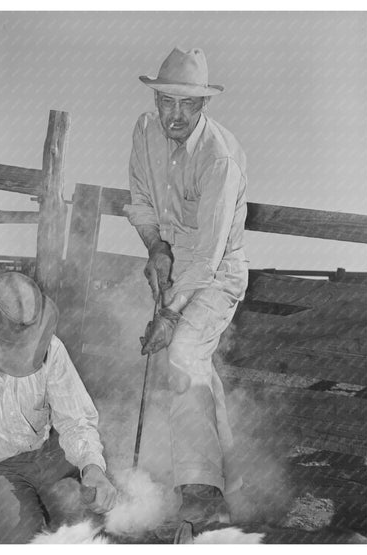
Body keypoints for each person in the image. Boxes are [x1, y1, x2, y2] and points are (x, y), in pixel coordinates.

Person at [124, 47, 248, 528]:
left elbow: (208, 256)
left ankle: (202, 494)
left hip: (218, 273)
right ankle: (228, 478)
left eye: (187, 104)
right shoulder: (143, 130)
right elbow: (139, 198)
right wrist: (155, 246)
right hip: (176, 263)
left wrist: (168, 313)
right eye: (166, 102)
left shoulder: (220, 159)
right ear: (156, 100)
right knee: (194, 366)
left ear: (204, 106)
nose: (174, 115)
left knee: (182, 353)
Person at [0, 272, 117, 543]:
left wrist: (92, 468)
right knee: (23, 539)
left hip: (47, 453)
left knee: (94, 519)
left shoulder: (50, 348)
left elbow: (76, 419)